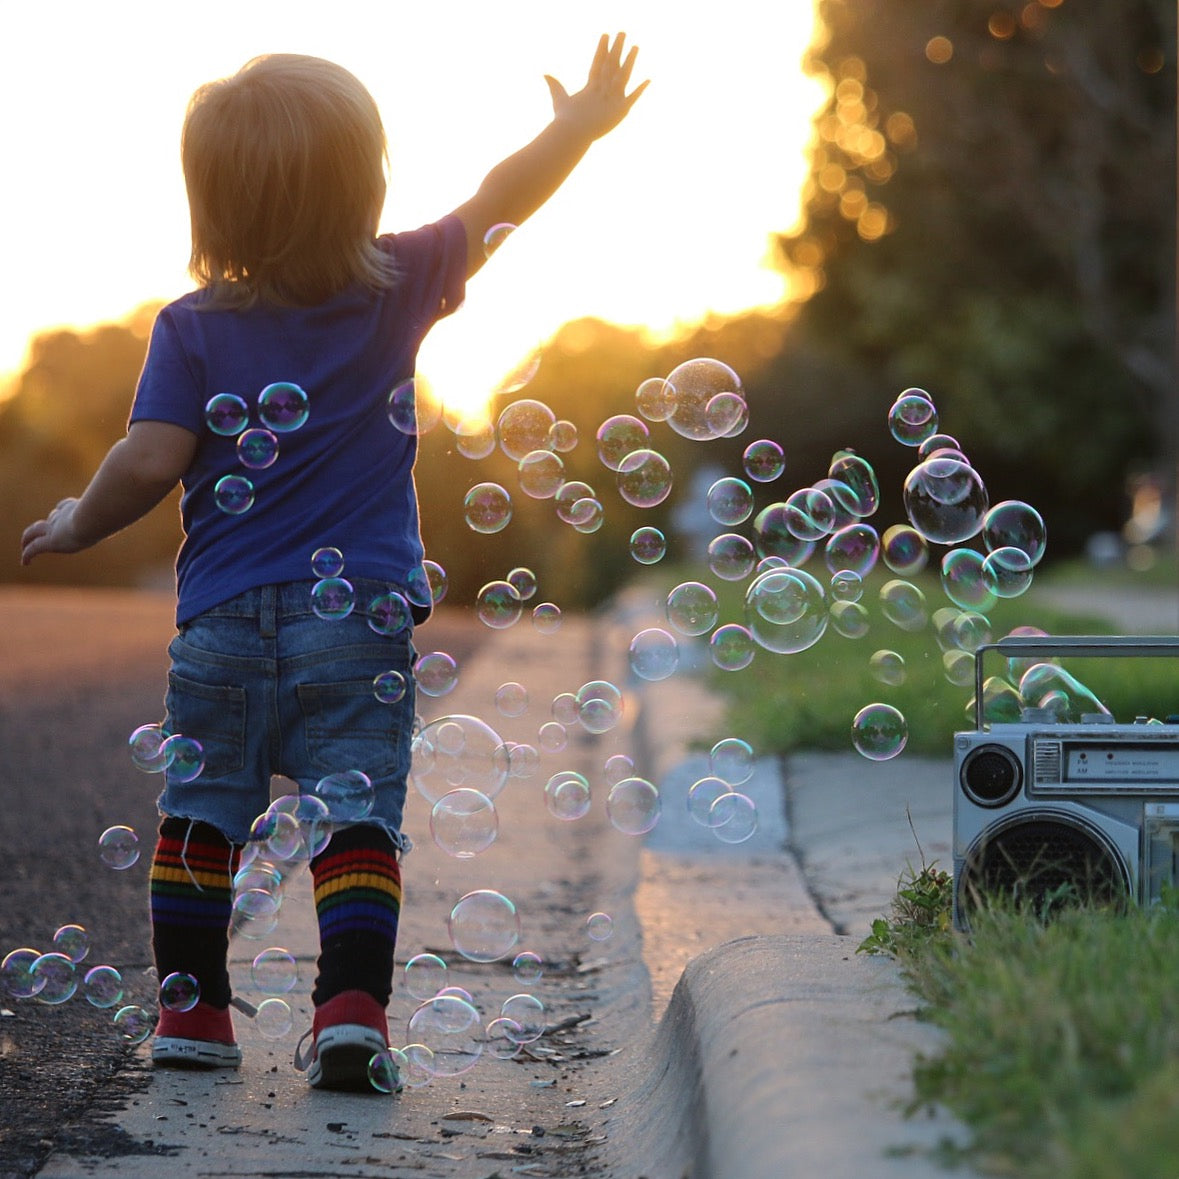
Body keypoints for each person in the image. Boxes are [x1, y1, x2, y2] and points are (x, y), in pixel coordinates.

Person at [20, 34, 646, 1091]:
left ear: (210, 204)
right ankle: (351, 1012)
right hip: (356, 620)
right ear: (365, 183)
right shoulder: (399, 283)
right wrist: (575, 129)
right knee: (357, 816)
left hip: (220, 624)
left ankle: (193, 1013)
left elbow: (151, 458)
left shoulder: (190, 327)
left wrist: (81, 519)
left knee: (200, 811)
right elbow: (502, 198)